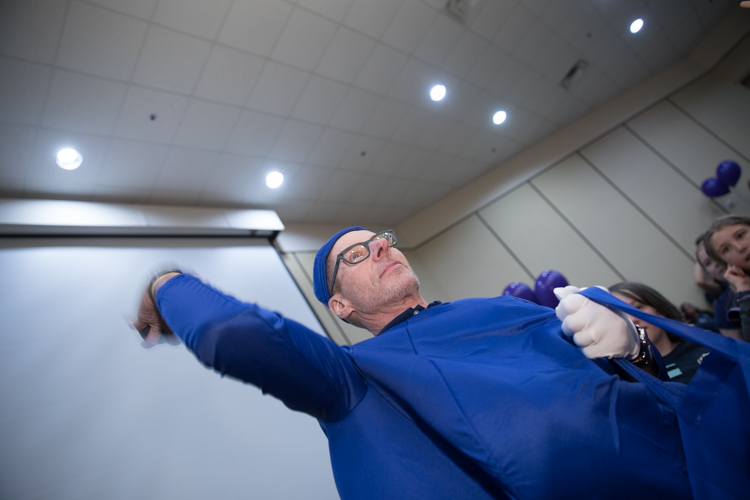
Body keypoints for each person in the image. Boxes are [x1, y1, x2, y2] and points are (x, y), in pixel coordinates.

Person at [133, 227, 733, 499]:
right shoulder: (353, 378)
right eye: (358, 255)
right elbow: (231, 332)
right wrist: (166, 283)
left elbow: (649, 400)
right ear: (340, 305)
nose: (382, 250)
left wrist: (636, 349)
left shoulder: (502, 309)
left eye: (384, 241)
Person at [609, 282, 711, 383]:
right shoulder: (628, 380)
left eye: (638, 307)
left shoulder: (704, 338)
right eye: (622, 316)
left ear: (660, 311)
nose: (632, 319)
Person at [704, 215, 750, 343]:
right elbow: (744, 355)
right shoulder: (728, 303)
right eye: (726, 249)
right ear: (724, 262)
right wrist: (744, 293)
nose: (740, 248)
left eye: (741, 235)